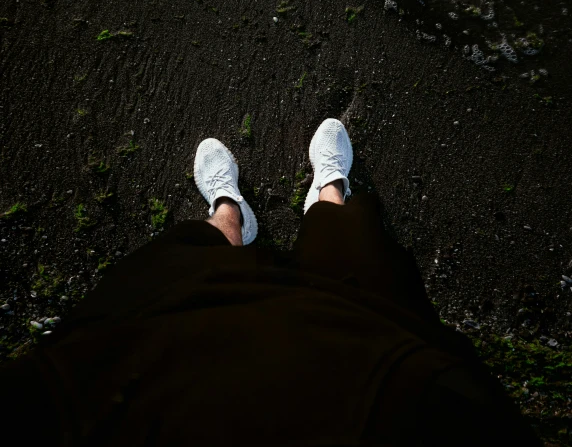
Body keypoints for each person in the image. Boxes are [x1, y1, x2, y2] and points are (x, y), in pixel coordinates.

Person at [0, 119, 539, 446]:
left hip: (133, 394)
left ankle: (230, 218)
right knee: (362, 275)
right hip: (362, 390)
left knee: (171, 275)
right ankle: (328, 196)